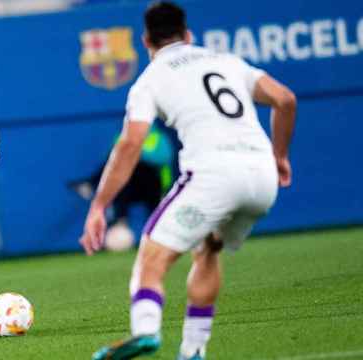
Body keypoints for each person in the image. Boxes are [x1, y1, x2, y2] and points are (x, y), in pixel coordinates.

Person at [79, 2, 296, 359]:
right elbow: (285, 99)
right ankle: (194, 351)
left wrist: (100, 204)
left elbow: (131, 144)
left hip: (213, 175)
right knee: (209, 247)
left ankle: (146, 331)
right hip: (262, 177)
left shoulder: (150, 78)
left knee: (151, 258)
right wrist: (280, 156)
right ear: (189, 35)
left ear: (146, 40)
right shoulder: (227, 61)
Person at [69, 124, 176, 249]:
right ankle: (119, 222)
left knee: (137, 165)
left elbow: (164, 157)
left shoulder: (157, 138)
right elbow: (111, 160)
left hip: (154, 186)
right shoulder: (123, 136)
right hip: (129, 185)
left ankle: (92, 184)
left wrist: (135, 151)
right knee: (118, 168)